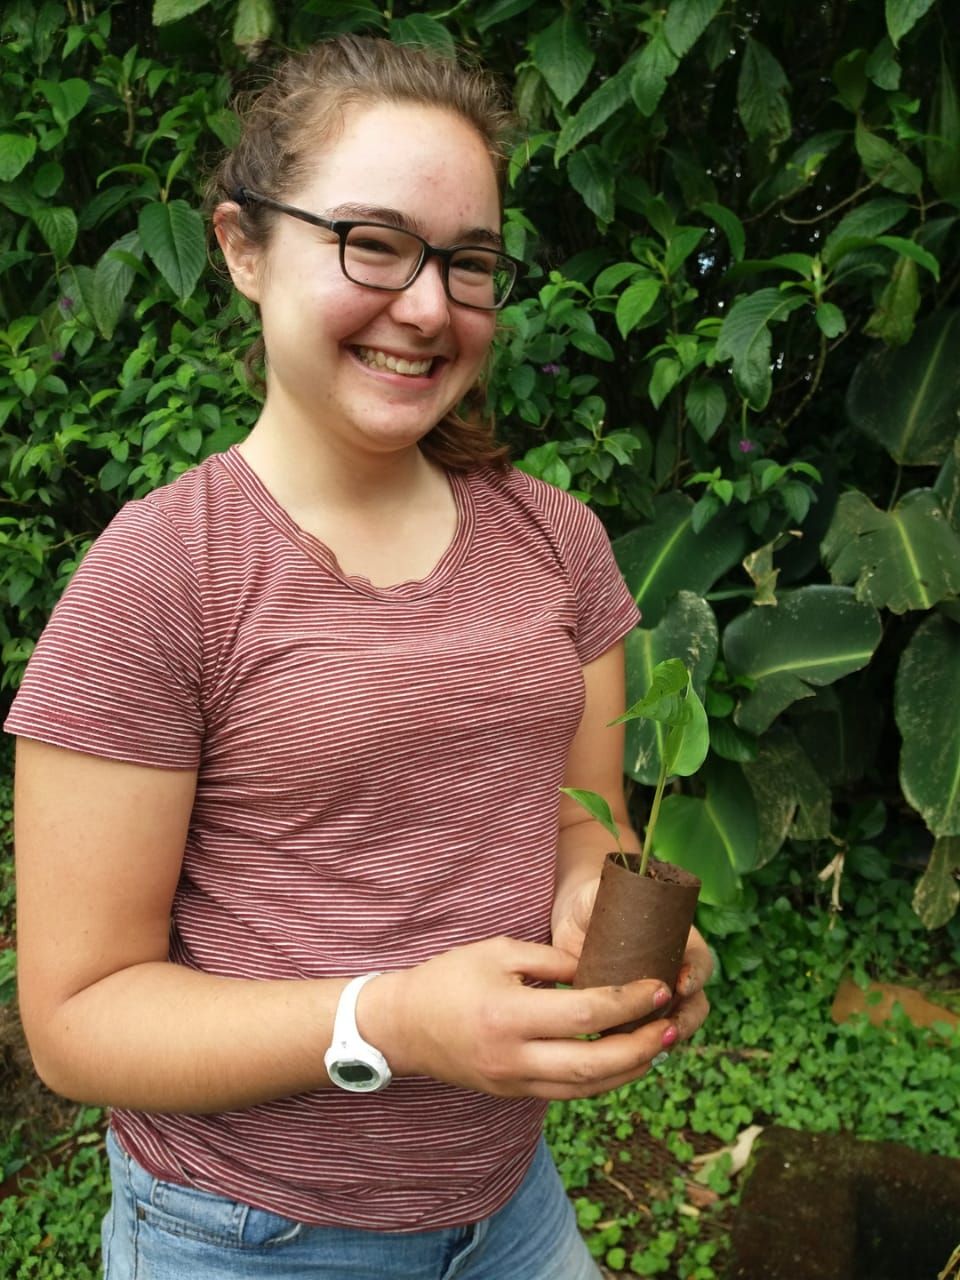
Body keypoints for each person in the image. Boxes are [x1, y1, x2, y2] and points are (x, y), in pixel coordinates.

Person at [6, 34, 711, 1280]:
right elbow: (75, 1020)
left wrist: (614, 933)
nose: (430, 304)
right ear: (240, 244)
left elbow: (577, 833)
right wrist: (389, 1020)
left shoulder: (558, 541)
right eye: (371, 243)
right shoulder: (158, 576)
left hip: (515, 1212)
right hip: (244, 1238)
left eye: (470, 262)